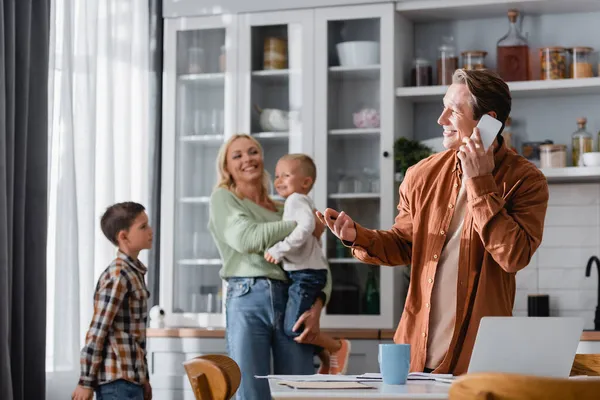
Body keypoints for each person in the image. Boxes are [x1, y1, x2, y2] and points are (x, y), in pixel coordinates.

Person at [318, 68, 549, 375]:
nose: (441, 120)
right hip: (414, 352)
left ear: (488, 120)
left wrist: (480, 182)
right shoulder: (421, 175)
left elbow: (513, 256)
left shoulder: (526, 181)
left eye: (453, 111)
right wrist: (358, 237)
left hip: (479, 357)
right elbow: (404, 245)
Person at [208, 134, 331, 400]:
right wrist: (303, 223)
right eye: (237, 155)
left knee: (298, 390)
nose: (247, 159)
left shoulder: (284, 207)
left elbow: (316, 261)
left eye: (253, 152)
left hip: (293, 297)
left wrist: (317, 306)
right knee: (252, 392)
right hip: (248, 298)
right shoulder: (224, 199)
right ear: (226, 167)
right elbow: (247, 239)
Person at [264, 153, 351, 375]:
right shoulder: (297, 201)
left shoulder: (296, 200)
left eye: (286, 175)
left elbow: (305, 227)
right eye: (277, 176)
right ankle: (326, 356)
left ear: (305, 182)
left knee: (293, 328)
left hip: (307, 274)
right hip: (303, 273)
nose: (279, 180)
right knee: (294, 327)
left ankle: (335, 347)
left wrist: (279, 250)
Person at [72, 202, 153, 400]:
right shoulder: (118, 275)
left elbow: (135, 335)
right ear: (123, 237)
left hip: (132, 380)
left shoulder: (134, 272)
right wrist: (86, 381)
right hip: (116, 384)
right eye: (143, 227)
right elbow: (98, 330)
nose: (150, 231)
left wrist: (144, 379)